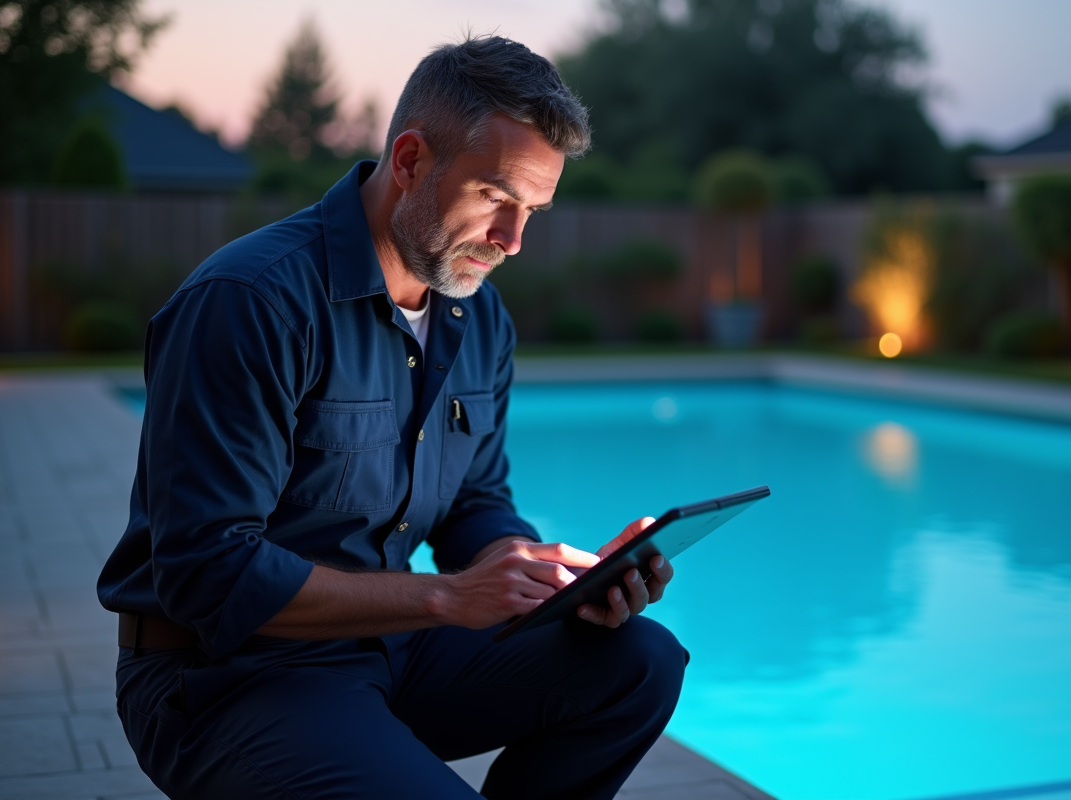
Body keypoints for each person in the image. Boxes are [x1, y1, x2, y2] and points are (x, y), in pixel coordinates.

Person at [97, 35, 687, 800]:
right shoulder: (251, 303)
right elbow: (208, 572)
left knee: (641, 662)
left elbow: (474, 500)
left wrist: (538, 575)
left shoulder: (478, 319)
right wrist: (445, 597)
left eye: (532, 210)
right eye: (495, 198)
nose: (513, 241)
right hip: (224, 677)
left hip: (389, 645)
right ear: (409, 161)